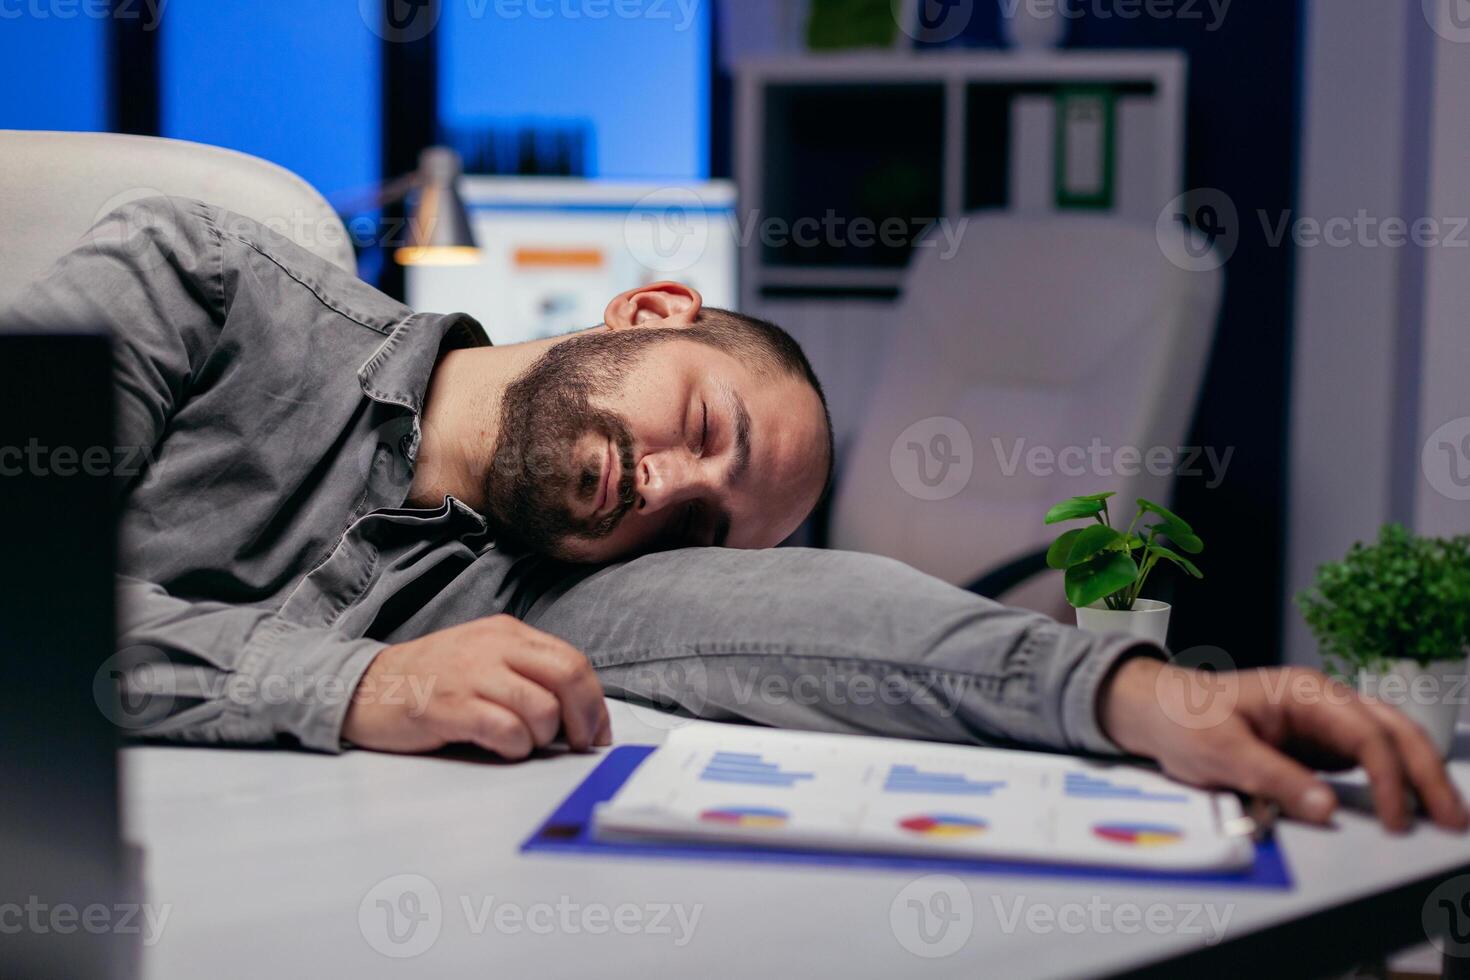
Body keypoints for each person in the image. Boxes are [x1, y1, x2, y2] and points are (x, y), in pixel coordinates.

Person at [8, 196, 1464, 835]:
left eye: (703, 520)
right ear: (646, 313)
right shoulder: (205, 278)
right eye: (704, 427)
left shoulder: (537, 588)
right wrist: (357, 682)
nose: (669, 490)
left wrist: (1138, 696)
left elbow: (806, 614)